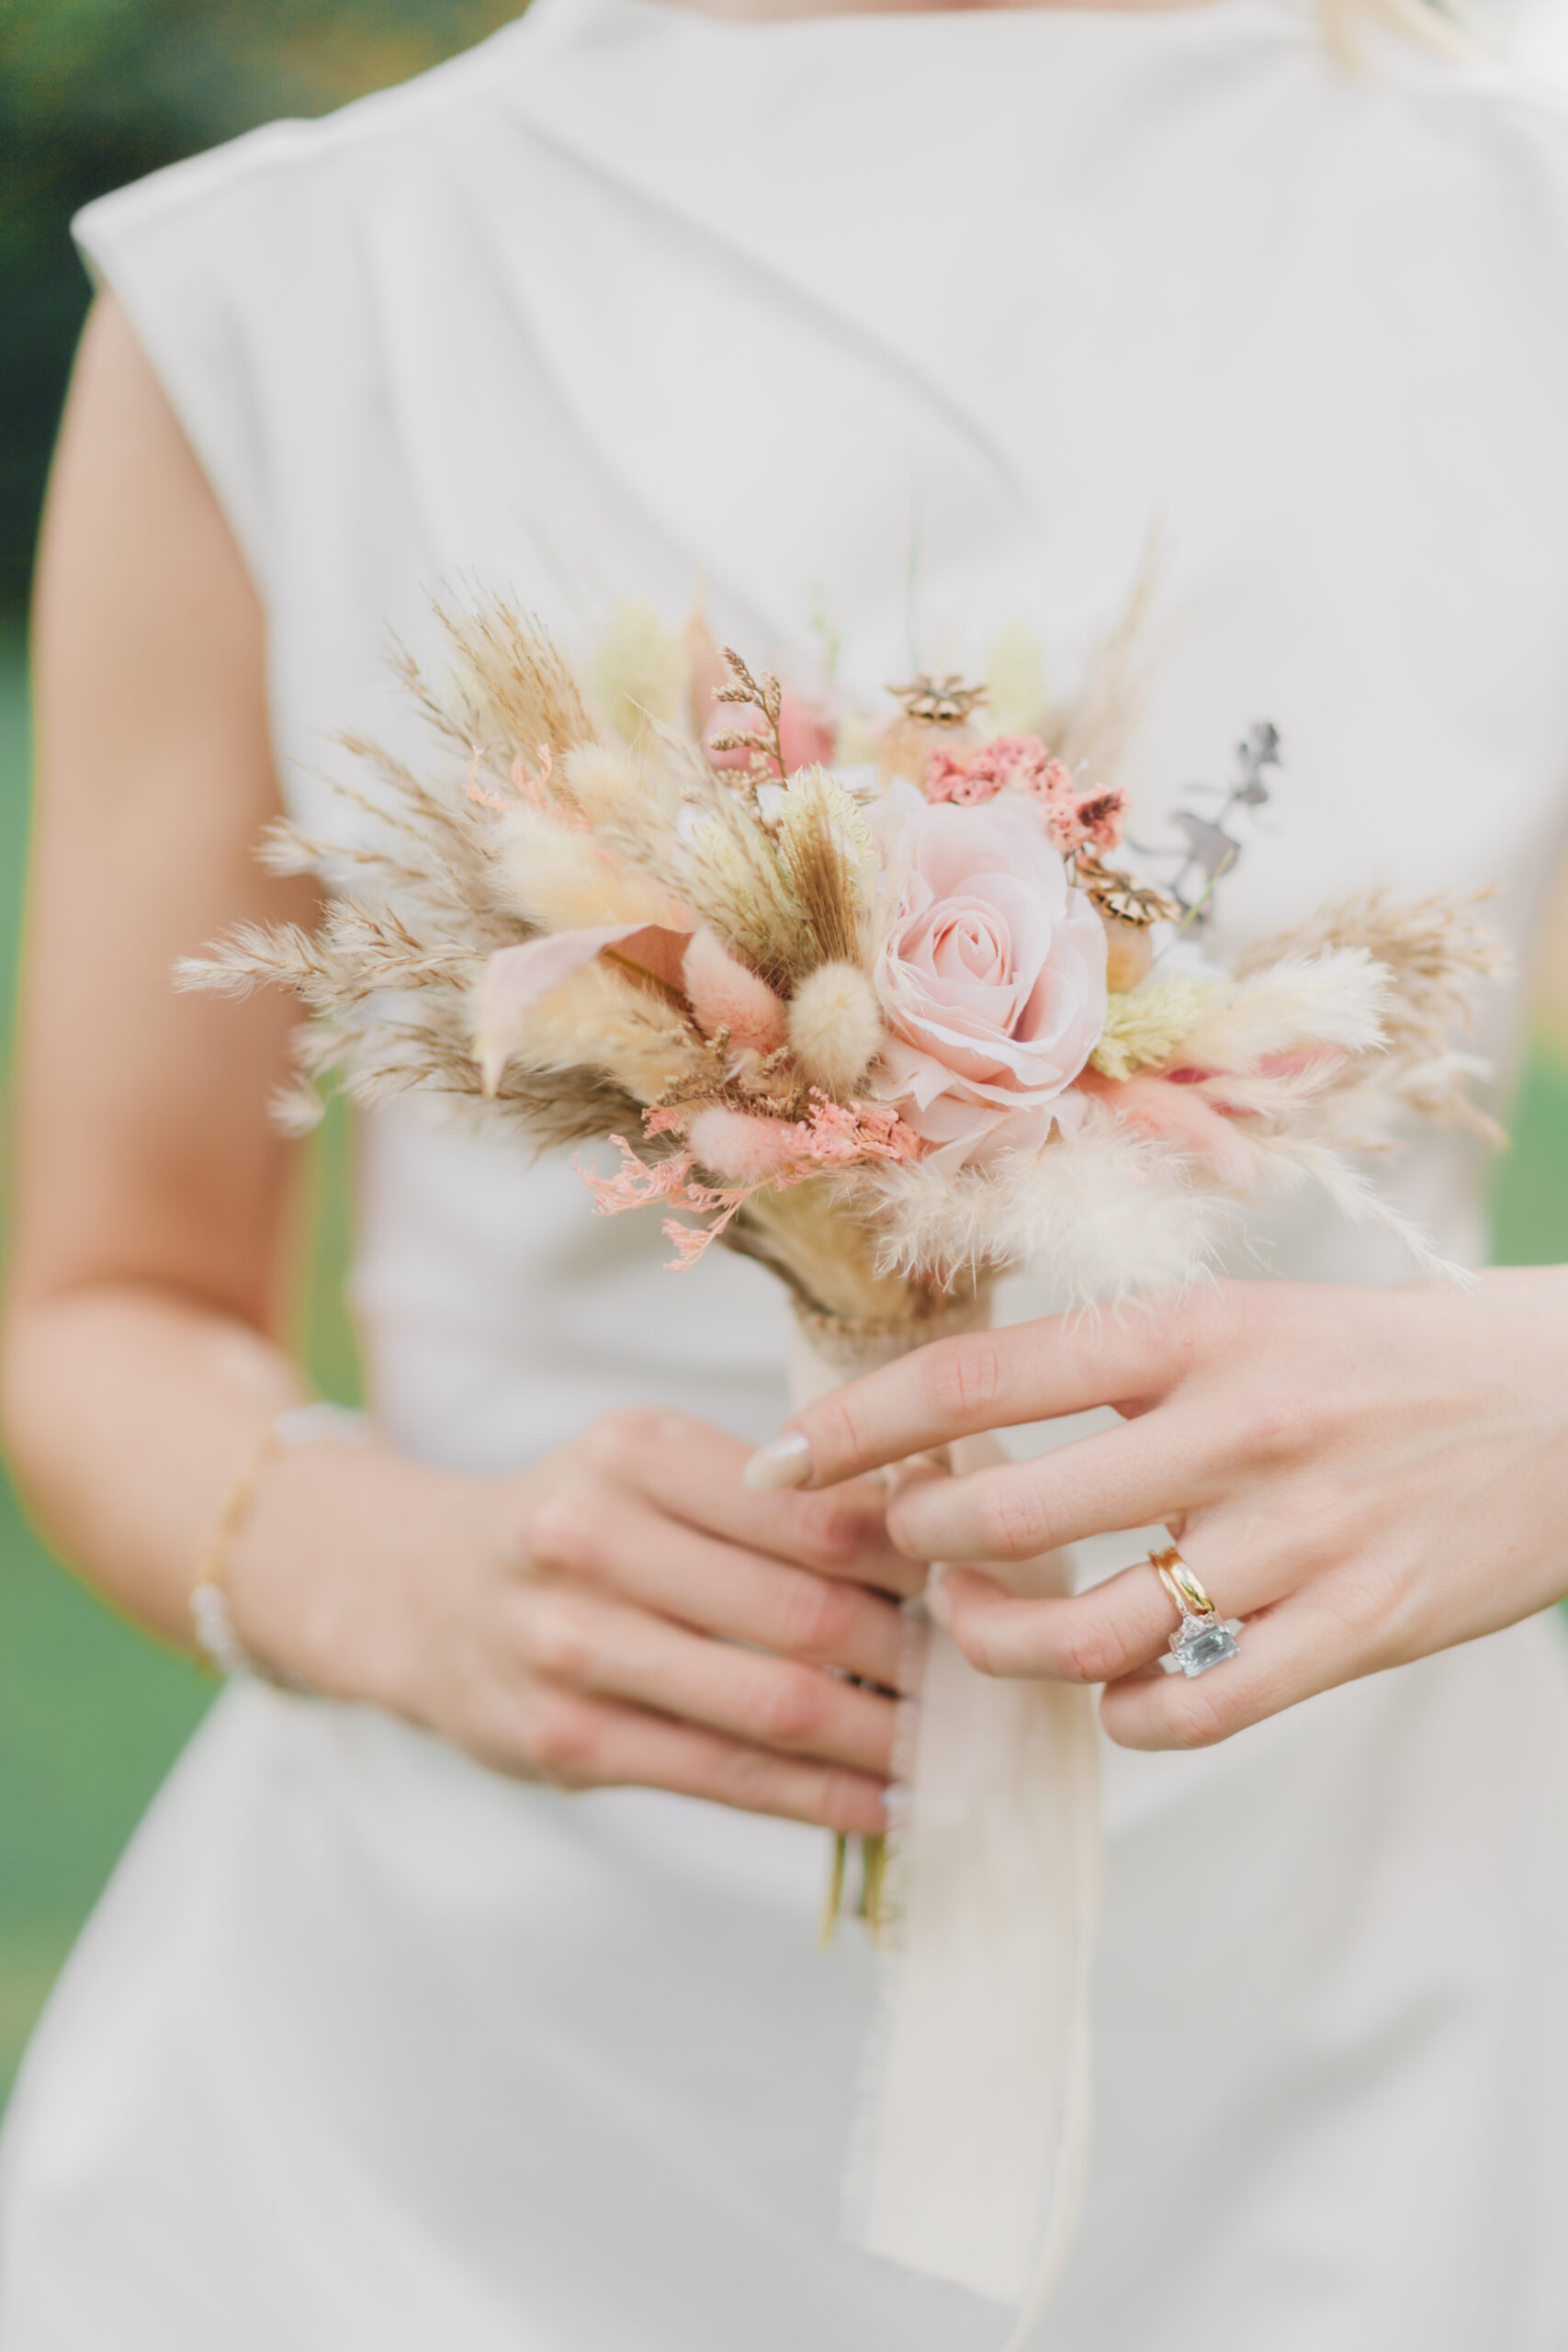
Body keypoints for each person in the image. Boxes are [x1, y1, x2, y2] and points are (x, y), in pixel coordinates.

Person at [3, 0, 1568, 2344]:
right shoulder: (294, 296)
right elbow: (99, 1296)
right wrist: (389, 1568)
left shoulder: (1512, 223)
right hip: (449, 2104)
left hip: (1346, 2056)